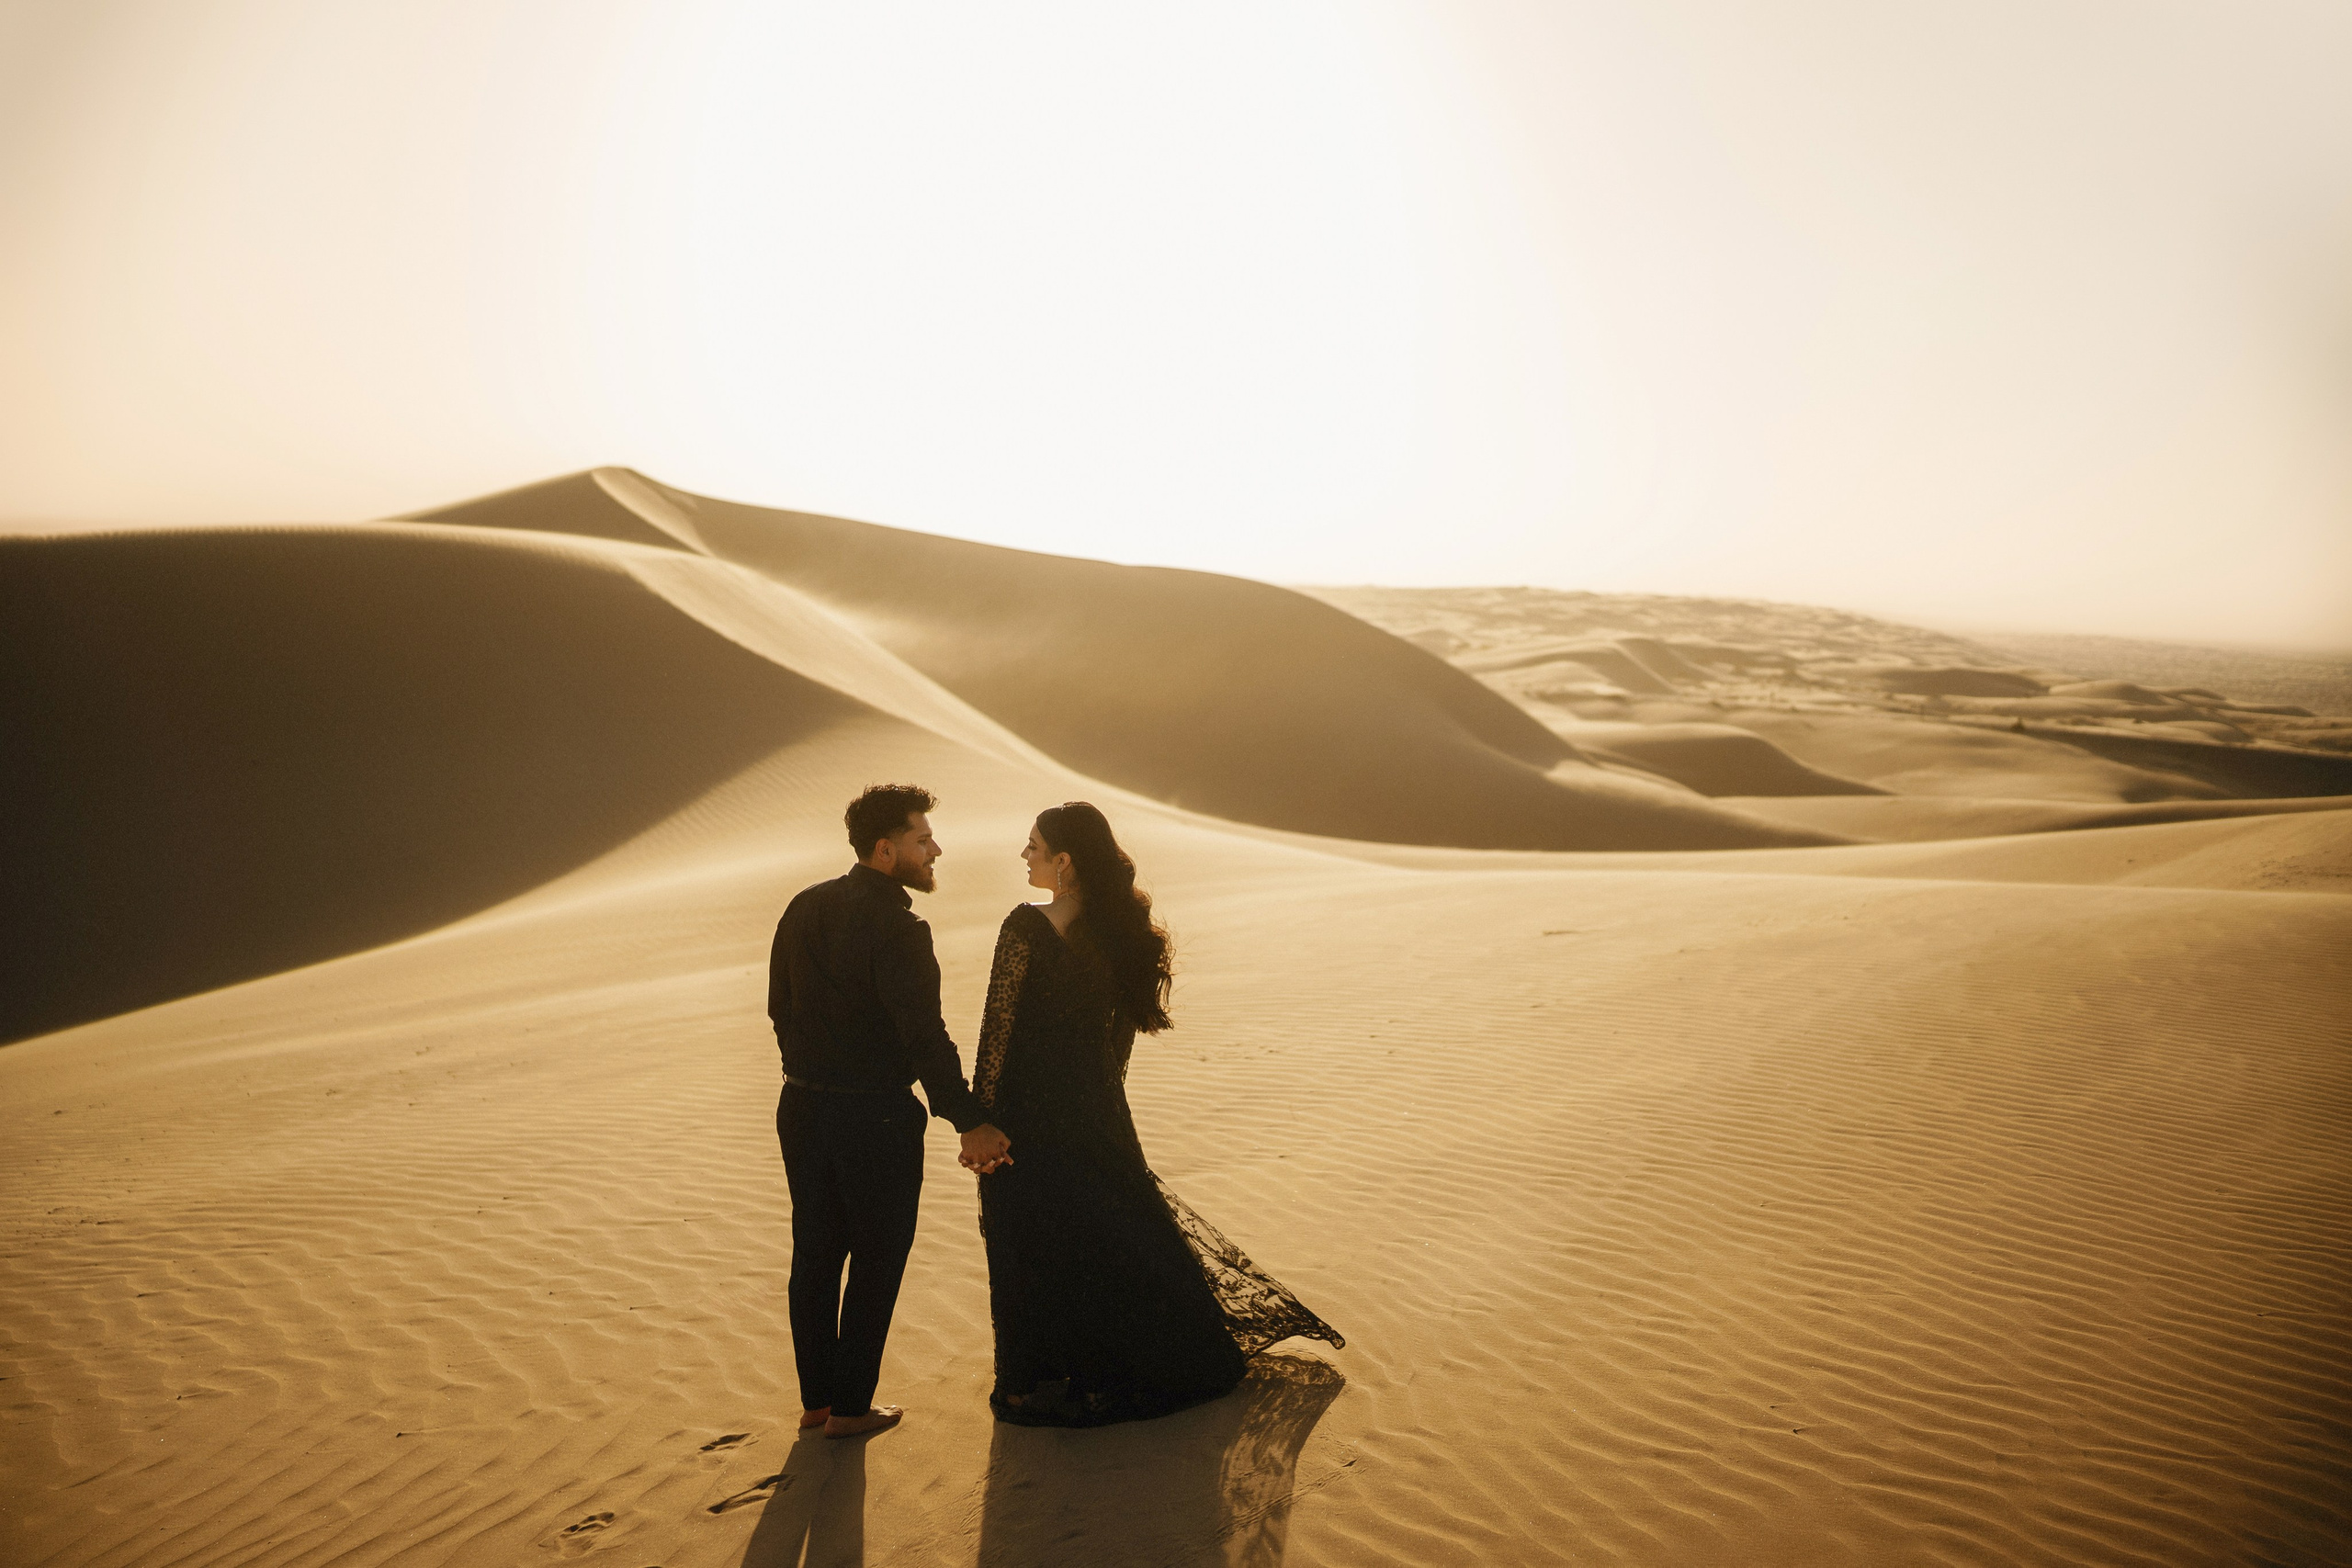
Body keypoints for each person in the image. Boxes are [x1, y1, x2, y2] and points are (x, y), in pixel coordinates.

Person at [966, 801, 1342, 1427]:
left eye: (1033, 846)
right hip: (1096, 1109)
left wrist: (980, 1119)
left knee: (1027, 1238)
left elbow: (996, 1033)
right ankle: (1133, 1354)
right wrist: (1100, 1103)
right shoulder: (1120, 929)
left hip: (1026, 1115)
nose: (1024, 855)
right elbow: (1120, 1041)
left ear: (1064, 860)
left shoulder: (1025, 926)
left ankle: (1032, 1379)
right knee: (1110, 1228)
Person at [768, 784, 1013, 1439]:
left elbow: (779, 1008)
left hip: (801, 1106)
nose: (935, 849)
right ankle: (851, 1408)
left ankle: (817, 1401)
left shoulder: (804, 906)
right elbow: (923, 1036)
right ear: (885, 849)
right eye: (921, 839)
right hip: (873, 1117)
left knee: (815, 1253)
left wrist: (812, 1071)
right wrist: (969, 1118)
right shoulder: (899, 929)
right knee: (878, 1257)